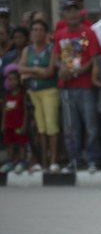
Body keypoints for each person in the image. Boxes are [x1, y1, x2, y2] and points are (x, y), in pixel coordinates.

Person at [52, 0, 101, 173]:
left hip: (85, 86)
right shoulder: (60, 35)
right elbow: (56, 59)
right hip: (66, 87)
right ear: (64, 15)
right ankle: (75, 160)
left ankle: (94, 160)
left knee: (91, 126)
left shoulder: (88, 33)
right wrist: (62, 68)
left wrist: (78, 72)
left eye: (75, 10)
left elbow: (94, 58)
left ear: (80, 13)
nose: (72, 14)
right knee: (70, 127)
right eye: (68, 11)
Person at [18, 19, 60, 172]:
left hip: (49, 91)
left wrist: (31, 71)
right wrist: (37, 70)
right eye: (34, 30)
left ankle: (54, 160)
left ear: (46, 33)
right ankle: (43, 161)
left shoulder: (51, 49)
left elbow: (49, 72)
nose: (37, 33)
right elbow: (20, 68)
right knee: (40, 128)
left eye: (40, 30)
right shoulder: (27, 50)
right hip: (33, 93)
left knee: (51, 126)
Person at [1, 65, 29, 173]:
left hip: (19, 124)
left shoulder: (22, 95)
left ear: (19, 80)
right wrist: (3, 124)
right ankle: (10, 162)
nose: (12, 82)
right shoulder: (7, 95)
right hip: (9, 124)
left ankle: (22, 161)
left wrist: (24, 125)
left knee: (21, 143)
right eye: (9, 80)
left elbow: (26, 111)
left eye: (14, 79)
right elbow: (5, 110)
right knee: (9, 143)